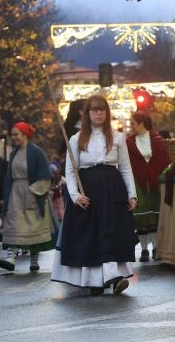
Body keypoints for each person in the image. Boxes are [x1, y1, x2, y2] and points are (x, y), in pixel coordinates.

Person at [51, 94, 138, 295]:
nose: (99, 113)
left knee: (110, 233)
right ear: (87, 113)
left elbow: (125, 168)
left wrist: (132, 194)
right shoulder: (76, 139)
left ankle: (112, 277)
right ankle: (96, 281)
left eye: (102, 109)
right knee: (90, 236)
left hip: (113, 191)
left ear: (107, 112)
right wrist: (75, 196)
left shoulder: (117, 137)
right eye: (94, 109)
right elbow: (70, 171)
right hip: (88, 192)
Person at [0, 122, 54, 272]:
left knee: (32, 227)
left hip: (32, 193)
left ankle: (34, 259)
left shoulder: (36, 152)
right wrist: (6, 195)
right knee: (14, 224)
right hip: (15, 194)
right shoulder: (13, 153)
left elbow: (45, 174)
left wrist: (34, 191)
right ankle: (11, 257)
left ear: (25, 135)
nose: (13, 137)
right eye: (12, 134)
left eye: (16, 134)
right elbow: (9, 176)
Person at [126, 111, 171, 262]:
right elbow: (128, 163)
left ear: (142, 124)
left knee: (154, 216)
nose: (131, 126)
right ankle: (144, 249)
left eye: (133, 123)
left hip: (154, 182)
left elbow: (164, 160)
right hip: (139, 182)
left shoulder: (157, 139)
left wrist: (158, 174)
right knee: (141, 217)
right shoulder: (129, 142)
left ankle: (156, 247)